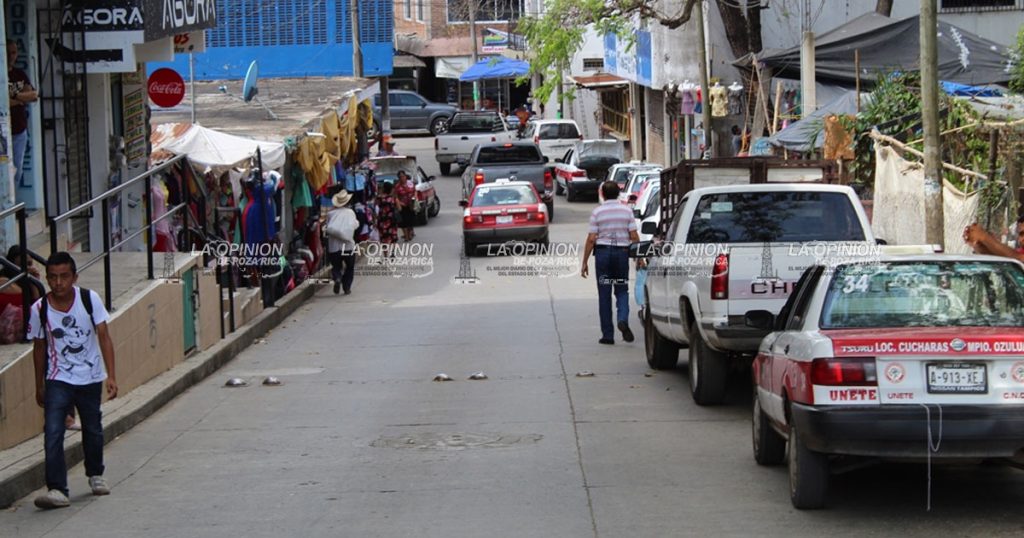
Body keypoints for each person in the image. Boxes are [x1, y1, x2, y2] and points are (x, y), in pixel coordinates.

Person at [30, 252, 117, 509]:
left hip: (89, 377)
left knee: (93, 429)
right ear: (47, 279)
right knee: (53, 431)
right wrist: (39, 384)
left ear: (74, 277)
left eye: (64, 277)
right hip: (58, 378)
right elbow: (38, 347)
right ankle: (57, 488)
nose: (59, 283)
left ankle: (95, 474)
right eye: (53, 277)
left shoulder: (90, 300)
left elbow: (104, 336)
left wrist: (111, 375)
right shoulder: (39, 309)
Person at [580, 181, 642, 345]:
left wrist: (584, 262)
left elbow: (592, 239)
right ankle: (622, 319)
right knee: (622, 290)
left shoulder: (597, 212)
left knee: (604, 294)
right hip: (621, 255)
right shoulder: (626, 211)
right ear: (618, 194)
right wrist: (640, 257)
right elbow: (634, 236)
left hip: (603, 255)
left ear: (603, 194)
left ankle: (608, 335)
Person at [8, 39, 38, 187]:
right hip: (4, 131)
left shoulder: (19, 74)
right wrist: (20, 98)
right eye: (8, 52)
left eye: (14, 52)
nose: (11, 56)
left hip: (19, 130)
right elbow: (4, 103)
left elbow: (33, 95)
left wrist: (15, 96)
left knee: (17, 170)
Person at [325, 189, 360, 295]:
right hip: (348, 245)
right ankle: (347, 287)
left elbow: (327, 227)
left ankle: (337, 277)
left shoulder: (330, 214)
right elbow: (355, 225)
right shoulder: (350, 212)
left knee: (336, 266)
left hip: (334, 246)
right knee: (349, 267)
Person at [395, 170, 416, 242]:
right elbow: (396, 197)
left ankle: (410, 233)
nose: (402, 178)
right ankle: (406, 236)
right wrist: (400, 203)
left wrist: (414, 198)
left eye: (403, 176)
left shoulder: (410, 183)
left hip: (411, 204)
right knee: (404, 221)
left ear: (405, 176)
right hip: (403, 206)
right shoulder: (397, 187)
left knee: (410, 220)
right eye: (400, 177)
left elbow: (415, 191)